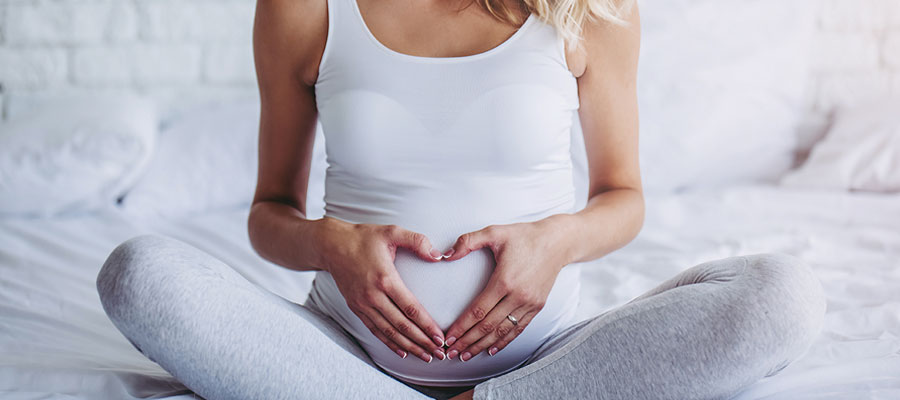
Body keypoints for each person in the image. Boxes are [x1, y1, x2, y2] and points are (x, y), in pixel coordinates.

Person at [96, 0, 827, 398]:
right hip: (343, 352)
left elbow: (623, 196)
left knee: (783, 297)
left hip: (550, 355)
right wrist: (328, 243)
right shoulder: (304, 7)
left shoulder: (588, 9)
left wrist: (556, 244)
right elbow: (269, 215)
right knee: (139, 274)